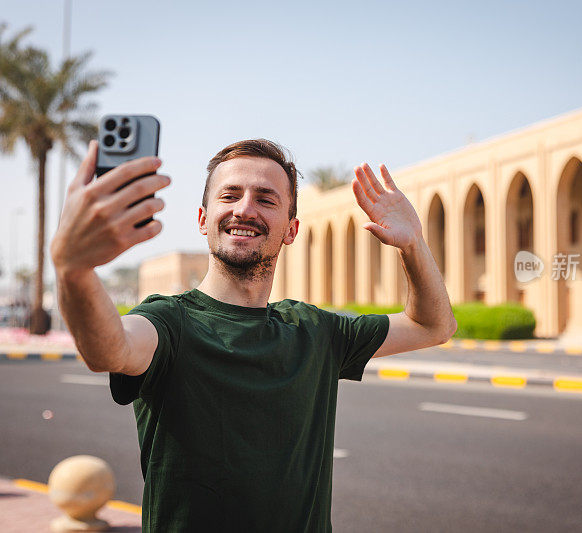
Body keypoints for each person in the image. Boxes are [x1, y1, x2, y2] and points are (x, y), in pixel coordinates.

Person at [51, 138, 456, 532]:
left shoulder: (316, 331)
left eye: (266, 199)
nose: (245, 209)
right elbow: (110, 349)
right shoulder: (169, 322)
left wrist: (413, 244)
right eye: (229, 196)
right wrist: (74, 269)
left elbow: (433, 326)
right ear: (202, 219)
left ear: (291, 229)